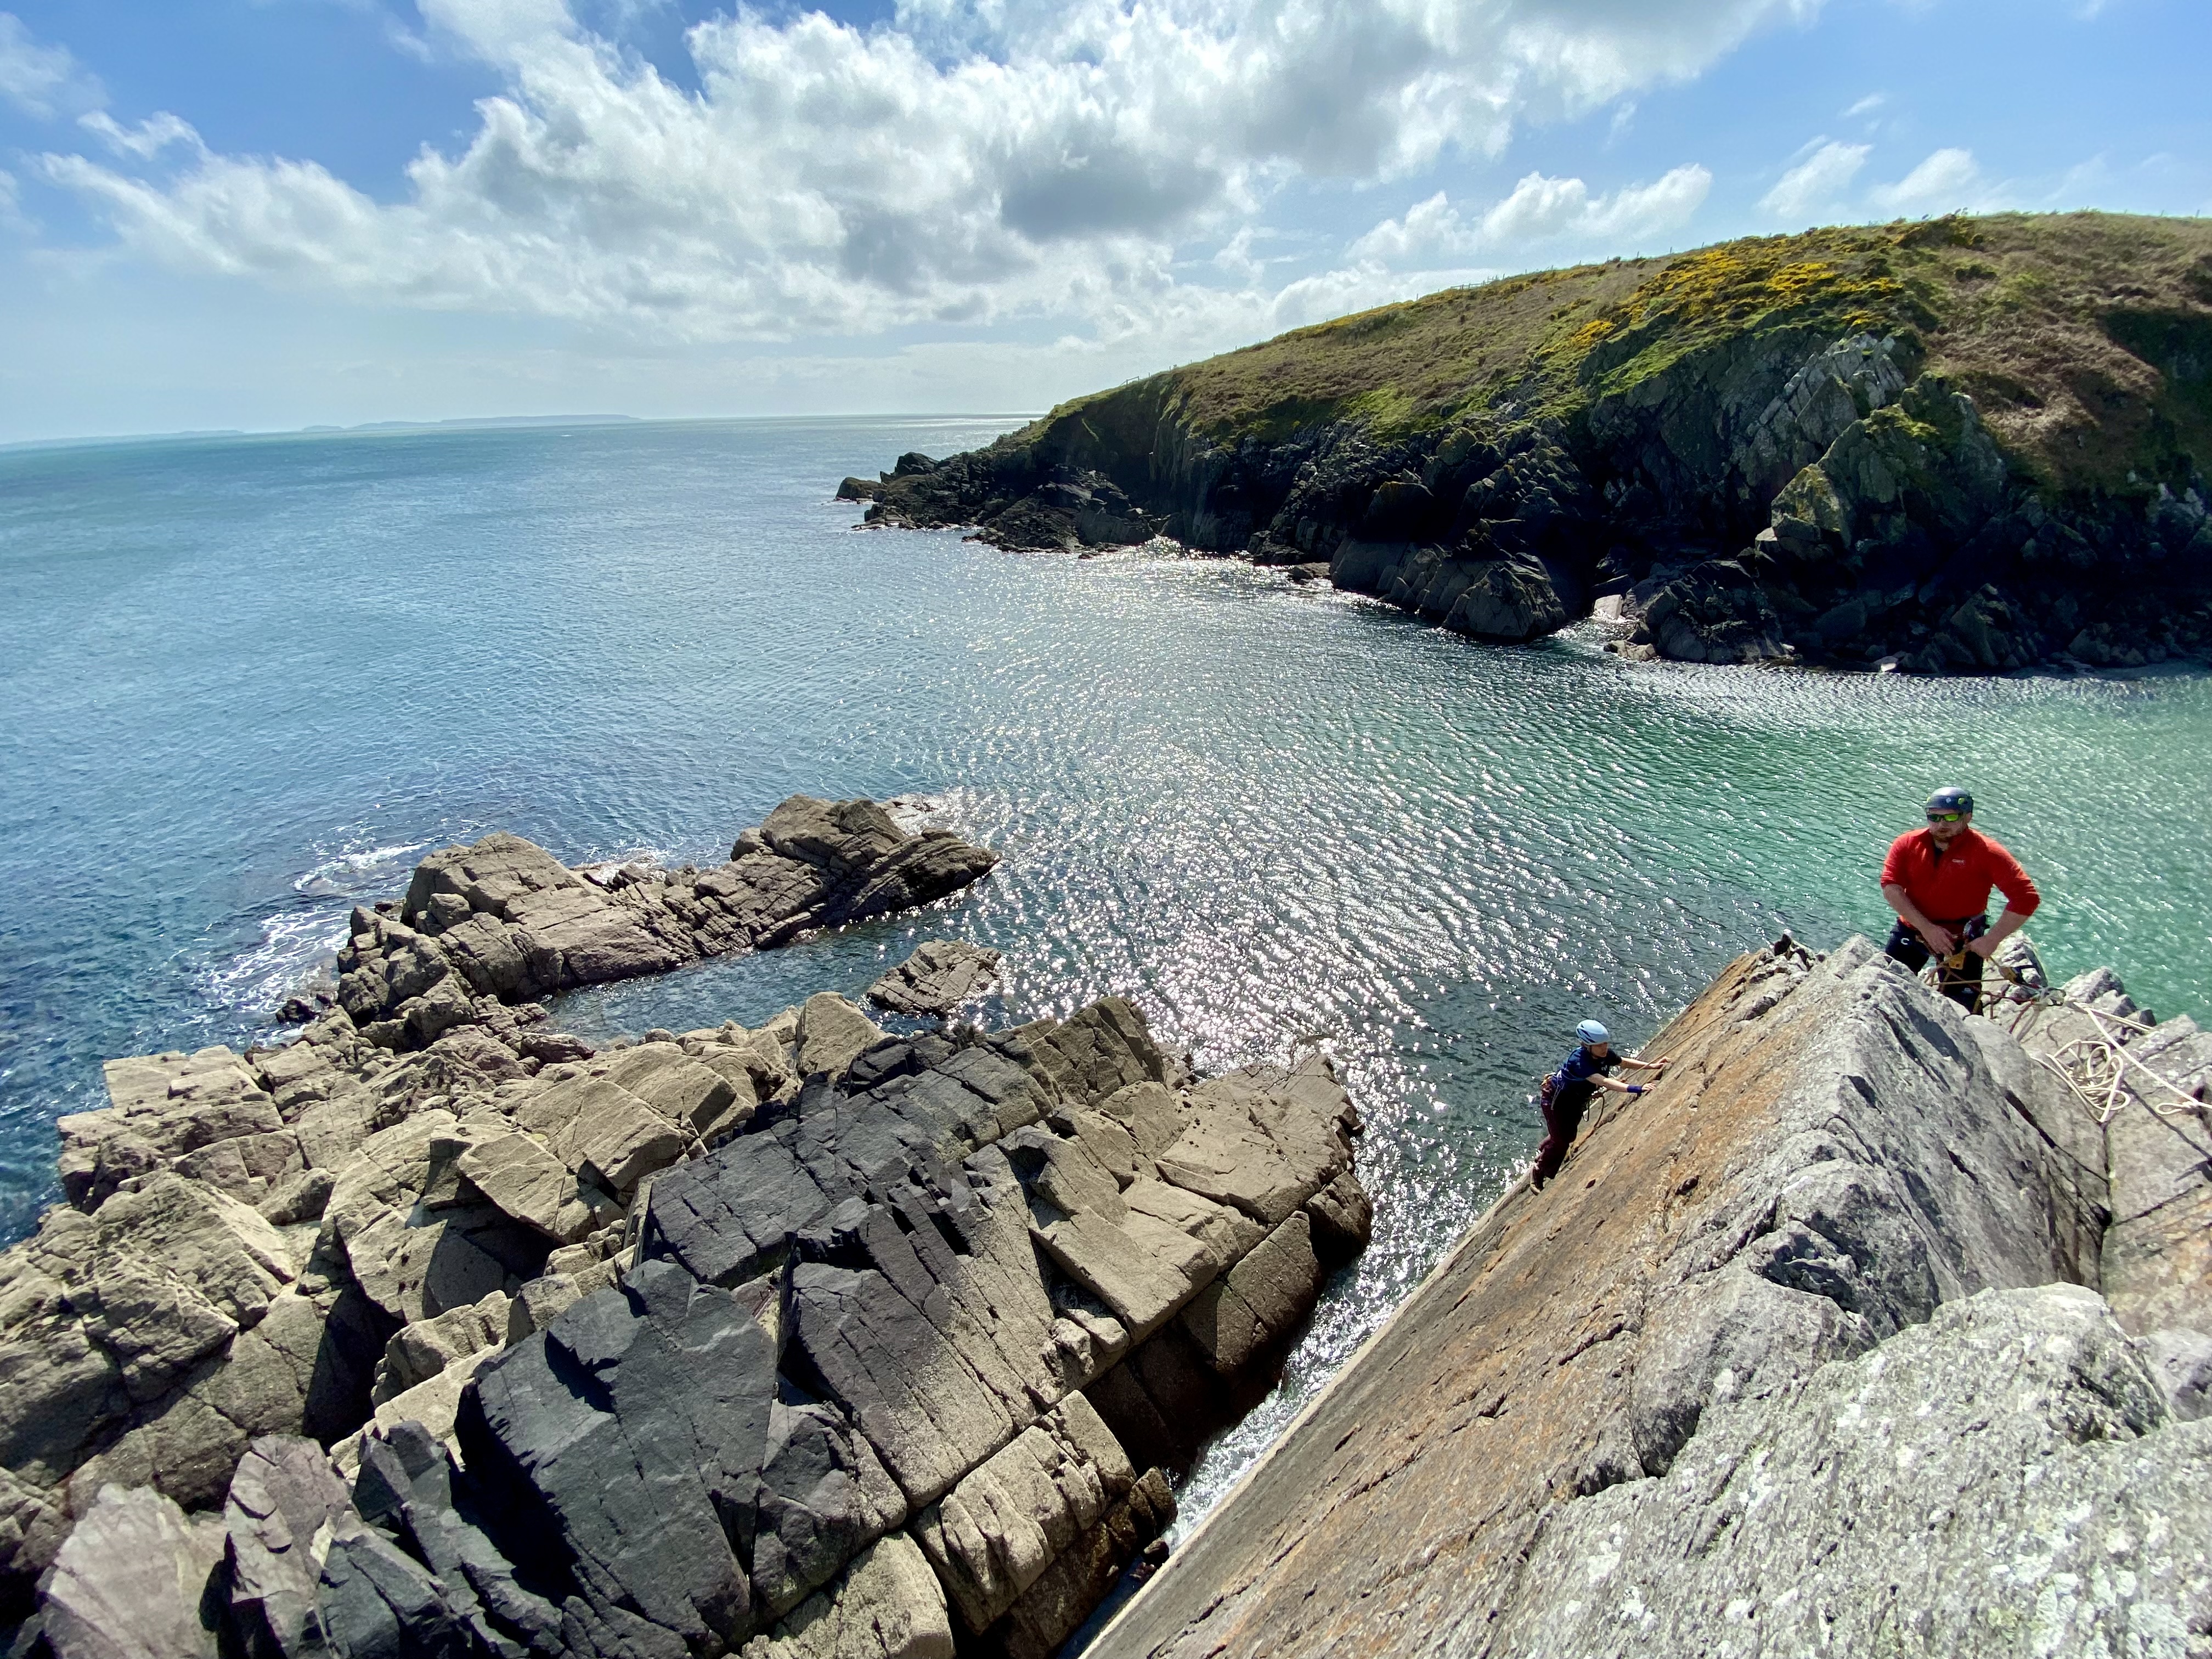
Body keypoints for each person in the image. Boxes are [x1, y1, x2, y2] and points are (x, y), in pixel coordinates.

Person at [1880, 786, 2041, 1011]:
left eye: (1950, 817)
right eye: (1933, 817)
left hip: (1962, 941)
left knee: (1964, 1011)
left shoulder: (1987, 852)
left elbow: (2026, 897)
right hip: (1914, 930)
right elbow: (1891, 886)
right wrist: (1926, 928)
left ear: (1968, 817)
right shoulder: (1908, 844)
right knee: (1883, 990)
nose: (1940, 824)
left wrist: (1992, 939)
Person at [1532, 1019, 1669, 1188]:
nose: (1604, 1048)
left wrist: (1653, 1066)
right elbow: (1604, 1082)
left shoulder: (1603, 1054)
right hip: (1556, 1099)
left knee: (1569, 1135)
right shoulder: (1580, 1062)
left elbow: (1623, 1062)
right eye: (1599, 1045)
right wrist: (1637, 1088)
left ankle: (1544, 1149)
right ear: (1588, 1046)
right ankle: (1540, 1170)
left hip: (1576, 1099)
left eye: (1605, 1044)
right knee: (1562, 1142)